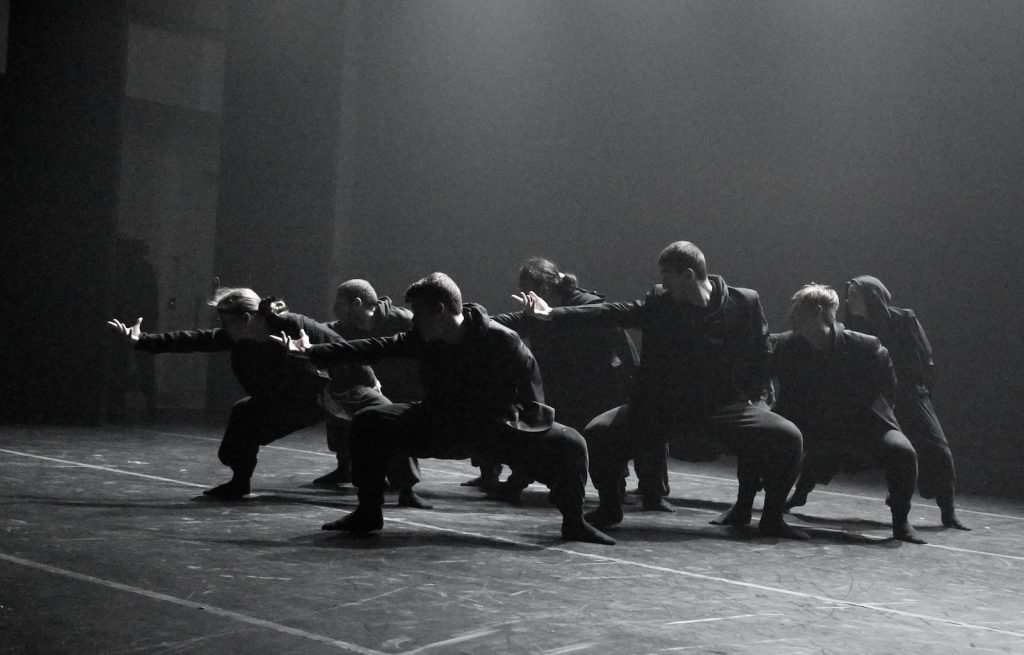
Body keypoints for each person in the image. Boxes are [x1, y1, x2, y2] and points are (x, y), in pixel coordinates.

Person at [276, 272, 614, 545]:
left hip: (493, 428)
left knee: (571, 444)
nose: (414, 323)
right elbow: (375, 347)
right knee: (370, 420)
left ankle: (574, 522)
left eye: (420, 315)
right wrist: (314, 353)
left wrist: (524, 436)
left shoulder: (501, 340)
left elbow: (531, 393)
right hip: (439, 422)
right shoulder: (425, 337)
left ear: (439, 310)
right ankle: (368, 512)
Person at [515, 242, 806, 539]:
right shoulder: (662, 302)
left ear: (689, 275)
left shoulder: (743, 302)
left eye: (667, 275)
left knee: (787, 438)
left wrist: (753, 395)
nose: (663, 282)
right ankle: (610, 508)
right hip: (663, 407)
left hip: (722, 407)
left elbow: (762, 351)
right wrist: (553, 314)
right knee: (599, 432)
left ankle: (771, 518)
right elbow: (615, 313)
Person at [108, 288, 338, 499]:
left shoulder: (292, 325)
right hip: (280, 400)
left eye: (225, 322)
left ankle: (349, 469)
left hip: (318, 397)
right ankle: (240, 482)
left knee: (346, 412)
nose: (222, 327)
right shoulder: (238, 336)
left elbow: (340, 345)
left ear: (246, 319)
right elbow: (194, 339)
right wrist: (143, 340)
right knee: (238, 430)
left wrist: (359, 385)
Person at [786, 276, 968, 530]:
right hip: (869, 398)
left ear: (872, 296)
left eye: (856, 295)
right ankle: (799, 494)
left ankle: (948, 512)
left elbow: (924, 359)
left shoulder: (903, 319)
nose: (850, 300)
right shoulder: (848, 326)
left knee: (936, 449)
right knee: (829, 444)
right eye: (848, 295)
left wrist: (917, 389)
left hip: (908, 395)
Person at [491, 257, 671, 511]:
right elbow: (513, 322)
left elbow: (623, 346)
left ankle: (646, 491)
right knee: (530, 417)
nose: (524, 297)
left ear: (543, 289)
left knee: (638, 423)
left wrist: (636, 386)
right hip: (565, 390)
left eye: (527, 290)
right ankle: (520, 481)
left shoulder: (586, 306)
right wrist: (470, 318)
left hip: (599, 390)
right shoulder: (538, 312)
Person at [771, 284, 925, 543]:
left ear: (818, 312)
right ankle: (758, 510)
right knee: (766, 435)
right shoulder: (789, 344)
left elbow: (887, 387)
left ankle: (901, 522)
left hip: (860, 425)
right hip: (808, 425)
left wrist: (864, 418)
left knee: (903, 453)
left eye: (798, 310)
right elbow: (762, 353)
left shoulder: (864, 347)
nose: (791, 316)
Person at [312, 279, 429, 510]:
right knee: (340, 393)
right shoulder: (344, 327)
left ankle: (405, 485)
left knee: (393, 419)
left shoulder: (401, 320)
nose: (335, 309)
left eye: (339, 304)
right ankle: (344, 466)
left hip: (409, 386)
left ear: (356, 303)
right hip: (373, 384)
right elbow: (320, 330)